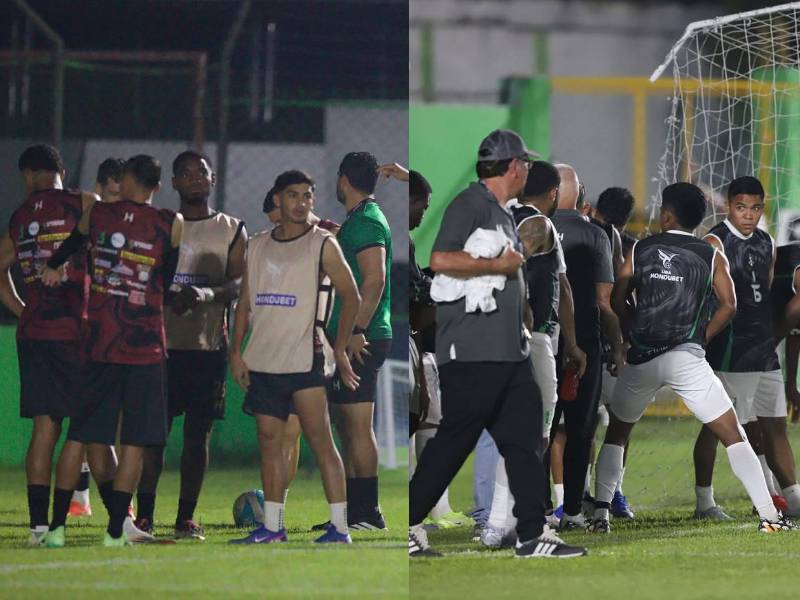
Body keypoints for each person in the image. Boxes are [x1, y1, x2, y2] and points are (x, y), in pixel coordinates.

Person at [409, 129, 586, 559]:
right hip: (473, 349)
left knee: (525, 438)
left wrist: (519, 307)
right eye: (524, 163)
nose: (527, 170)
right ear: (511, 167)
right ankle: (410, 525)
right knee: (454, 442)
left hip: (507, 348)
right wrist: (498, 265)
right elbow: (441, 259)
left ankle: (531, 535)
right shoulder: (471, 203)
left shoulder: (503, 211)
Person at [591, 182, 795, 534]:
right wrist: (703, 336)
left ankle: (600, 516)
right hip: (687, 357)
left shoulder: (640, 248)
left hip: (642, 357)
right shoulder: (710, 253)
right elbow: (729, 304)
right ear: (699, 219)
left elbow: (617, 297)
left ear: (666, 215)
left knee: (618, 434)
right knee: (733, 435)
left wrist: (633, 327)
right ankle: (770, 517)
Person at [41, 154, 184, 546]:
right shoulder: (170, 222)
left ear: (126, 178)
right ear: (158, 186)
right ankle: (115, 530)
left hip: (99, 343)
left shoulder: (99, 214)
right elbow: (168, 281)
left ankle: (55, 530)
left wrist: (53, 265)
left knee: (79, 435)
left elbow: (71, 244)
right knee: (134, 440)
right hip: (144, 346)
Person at [228, 169, 360, 544]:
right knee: (269, 441)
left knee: (321, 442)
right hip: (264, 360)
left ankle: (340, 528)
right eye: (293, 195)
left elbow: (352, 295)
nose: (301, 203)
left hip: (306, 359)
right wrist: (236, 352)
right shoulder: (257, 245)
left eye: (307, 196)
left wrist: (338, 347)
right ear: (277, 200)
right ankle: (273, 527)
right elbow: (244, 303)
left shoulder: (323, 243)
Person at [0, 145, 111, 545]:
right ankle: (122, 518)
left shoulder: (19, 217)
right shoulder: (85, 202)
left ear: (28, 175)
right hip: (78, 331)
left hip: (35, 334)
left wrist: (23, 310)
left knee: (45, 428)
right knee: (93, 426)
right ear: (60, 171)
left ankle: (38, 527)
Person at [133, 151, 246, 539]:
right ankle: (145, 516)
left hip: (208, 348)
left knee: (198, 437)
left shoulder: (232, 228)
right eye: (185, 173)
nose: (195, 177)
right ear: (174, 183)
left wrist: (204, 294)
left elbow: (239, 283)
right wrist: (168, 295)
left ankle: (185, 517)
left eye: (202, 171)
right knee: (153, 436)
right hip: (159, 347)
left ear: (213, 179)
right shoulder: (161, 225)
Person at [481, 159, 586, 547]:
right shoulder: (538, 223)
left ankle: (501, 523)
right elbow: (561, 287)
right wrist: (570, 341)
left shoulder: (495, 217)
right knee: (534, 436)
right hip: (534, 338)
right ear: (554, 193)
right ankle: (507, 524)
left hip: (496, 340)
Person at [693, 176, 800, 519]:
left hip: (764, 349)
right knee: (717, 428)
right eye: (741, 208)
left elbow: (763, 294)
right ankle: (705, 502)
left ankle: (793, 499)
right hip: (728, 350)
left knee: (775, 426)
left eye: (755, 208)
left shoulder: (767, 242)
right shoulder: (714, 241)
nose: (748, 215)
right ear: (729, 206)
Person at [318, 151, 394, 531]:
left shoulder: (365, 221)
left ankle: (368, 512)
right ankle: (353, 511)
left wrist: (356, 331)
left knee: (357, 425)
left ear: (344, 179)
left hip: (362, 339)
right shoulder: (359, 220)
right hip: (351, 336)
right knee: (347, 425)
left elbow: (375, 279)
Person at [550, 164, 624, 531]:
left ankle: (533, 510)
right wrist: (618, 345)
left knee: (541, 431)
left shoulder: (530, 227)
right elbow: (604, 301)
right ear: (578, 193)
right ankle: (573, 512)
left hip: (542, 342)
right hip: (584, 344)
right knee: (581, 429)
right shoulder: (595, 234)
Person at [69, 156, 125, 519]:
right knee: (85, 417)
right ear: (99, 189)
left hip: (118, 333)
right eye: (113, 194)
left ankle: (89, 496)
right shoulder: (86, 225)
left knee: (109, 420)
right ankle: (84, 496)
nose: (118, 203)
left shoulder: (131, 231)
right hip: (82, 334)